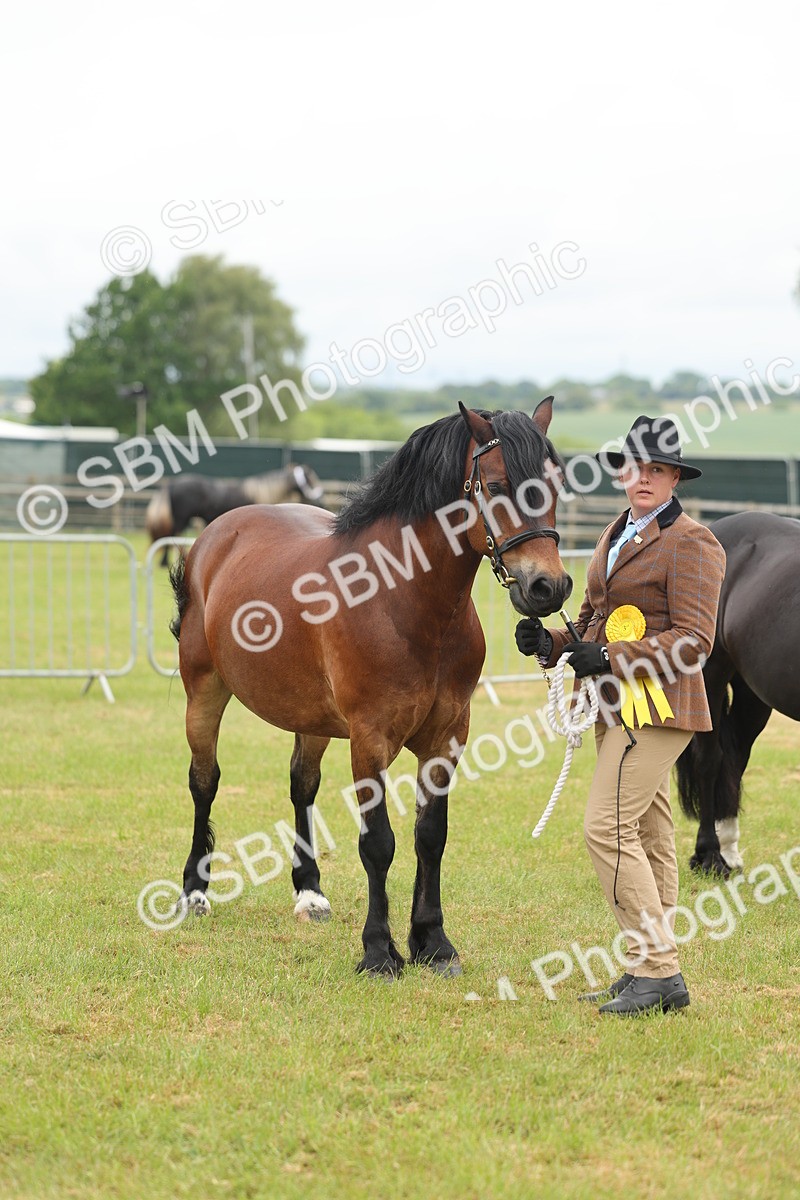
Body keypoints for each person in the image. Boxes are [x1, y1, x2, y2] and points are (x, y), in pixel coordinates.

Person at [516, 415, 726, 1016]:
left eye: (656, 470)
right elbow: (593, 613)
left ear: (673, 477)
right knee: (652, 836)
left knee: (604, 829)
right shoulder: (617, 531)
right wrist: (556, 644)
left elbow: (694, 641)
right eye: (634, 467)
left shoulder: (693, 541)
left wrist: (606, 654)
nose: (643, 478)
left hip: (659, 707)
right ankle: (646, 967)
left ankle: (660, 971)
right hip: (615, 705)